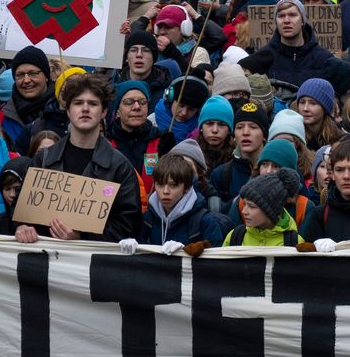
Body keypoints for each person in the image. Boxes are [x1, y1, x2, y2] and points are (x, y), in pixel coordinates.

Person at [12, 73, 143, 244]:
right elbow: (20, 208)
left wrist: (81, 238)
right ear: (67, 111)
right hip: (44, 261)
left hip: (92, 265)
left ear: (103, 112)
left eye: (93, 104)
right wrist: (21, 226)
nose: (85, 109)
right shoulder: (43, 160)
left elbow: (128, 226)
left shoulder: (120, 167)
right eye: (78, 103)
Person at [140, 152, 226, 247]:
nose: (165, 191)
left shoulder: (205, 222)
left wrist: (185, 252)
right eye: (160, 184)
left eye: (173, 185)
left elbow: (214, 259)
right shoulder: (147, 219)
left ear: (186, 187)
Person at [220, 169, 304, 247]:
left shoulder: (294, 242)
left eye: (252, 206)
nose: (244, 211)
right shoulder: (235, 237)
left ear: (271, 210)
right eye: (244, 204)